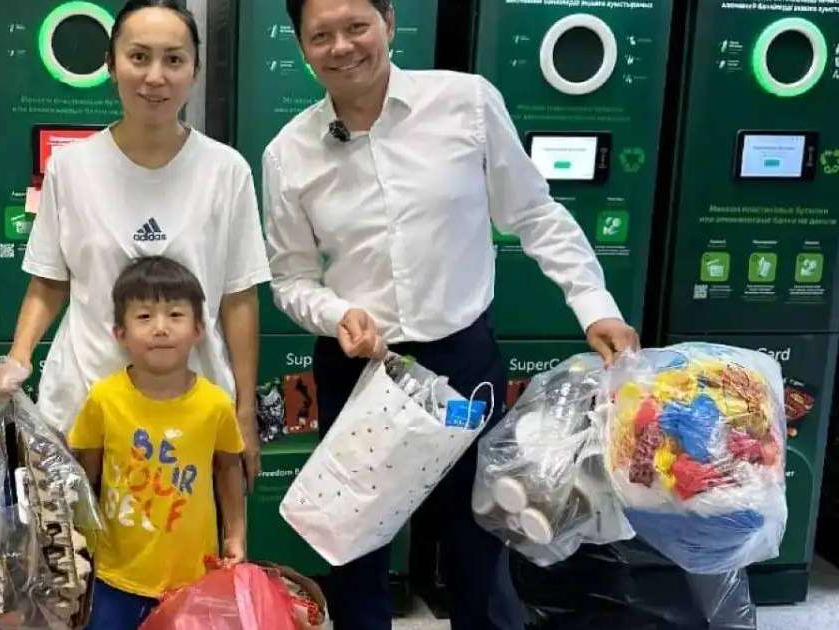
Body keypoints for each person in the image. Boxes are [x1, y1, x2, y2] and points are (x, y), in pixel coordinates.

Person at [262, 1, 641, 628]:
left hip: (462, 359)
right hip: (360, 367)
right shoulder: (289, 152)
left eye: (356, 26)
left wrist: (593, 305)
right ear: (302, 46)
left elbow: (534, 213)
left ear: (388, 21)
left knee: (477, 538)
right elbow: (291, 277)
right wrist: (336, 313)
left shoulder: (466, 102)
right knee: (354, 546)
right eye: (321, 35)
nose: (342, 46)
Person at [0, 0, 270, 489]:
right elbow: (48, 281)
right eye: (138, 57)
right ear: (112, 65)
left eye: (173, 59)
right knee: (82, 536)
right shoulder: (71, 168)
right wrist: (18, 357)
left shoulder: (226, 171)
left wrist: (244, 411)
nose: (155, 76)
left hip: (191, 410)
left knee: (185, 533)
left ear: (195, 70)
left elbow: (239, 297)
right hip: (86, 404)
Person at [69, 256, 247, 629]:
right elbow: (85, 476)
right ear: (120, 333)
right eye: (145, 316)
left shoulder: (215, 404)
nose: (161, 328)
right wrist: (77, 539)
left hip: (193, 577)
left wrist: (235, 535)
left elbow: (228, 469)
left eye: (175, 315)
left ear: (198, 329)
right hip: (114, 576)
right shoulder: (103, 399)